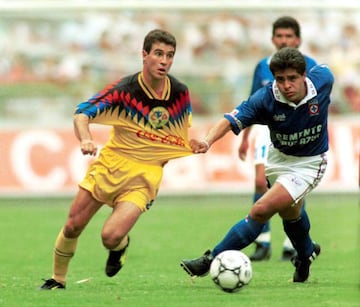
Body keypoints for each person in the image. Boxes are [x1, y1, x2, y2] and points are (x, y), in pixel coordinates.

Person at [40, 29, 194, 290]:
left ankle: (119, 248)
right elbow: (82, 114)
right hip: (111, 164)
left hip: (145, 176)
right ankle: (58, 279)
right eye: (158, 54)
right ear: (144, 55)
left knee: (110, 236)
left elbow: (179, 135)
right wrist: (86, 139)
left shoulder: (179, 93)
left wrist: (191, 146)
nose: (164, 61)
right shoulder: (124, 90)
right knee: (73, 225)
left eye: (170, 55)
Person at [181, 47, 334, 283]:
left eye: (292, 78)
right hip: (278, 159)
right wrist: (206, 141)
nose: (286, 85)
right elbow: (230, 119)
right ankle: (305, 255)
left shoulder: (324, 80)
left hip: (309, 163)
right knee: (291, 214)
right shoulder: (265, 99)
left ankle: (210, 259)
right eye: (280, 79)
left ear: (304, 75)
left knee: (261, 209)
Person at [238, 16, 317, 261]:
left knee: (293, 188)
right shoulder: (263, 66)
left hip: (298, 129)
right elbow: (252, 102)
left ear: (298, 40)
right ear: (273, 39)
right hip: (266, 128)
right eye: (279, 36)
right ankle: (262, 242)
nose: (284, 40)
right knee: (261, 182)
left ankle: (292, 244)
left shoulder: (311, 65)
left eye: (288, 36)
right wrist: (245, 136)